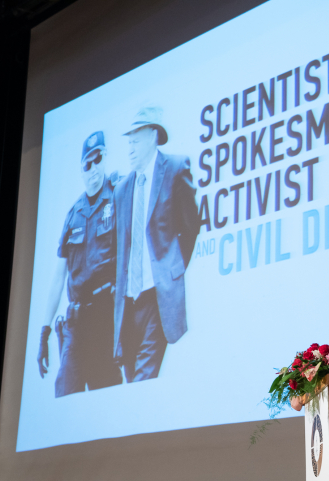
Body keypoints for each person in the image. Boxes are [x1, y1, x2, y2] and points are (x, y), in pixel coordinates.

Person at [112, 106, 200, 382]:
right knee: (130, 383)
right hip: (127, 303)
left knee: (143, 379)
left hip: (157, 296)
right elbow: (121, 248)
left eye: (135, 141)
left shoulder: (175, 168)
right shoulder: (122, 189)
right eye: (128, 142)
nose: (130, 149)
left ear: (152, 136)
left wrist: (171, 269)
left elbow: (191, 227)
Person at [37, 131, 123, 397]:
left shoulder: (119, 196)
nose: (93, 168)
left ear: (105, 157)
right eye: (88, 163)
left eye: (98, 159)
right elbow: (58, 276)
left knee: (107, 406)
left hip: (106, 322)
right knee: (64, 396)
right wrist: (45, 330)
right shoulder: (73, 214)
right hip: (75, 325)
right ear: (81, 169)